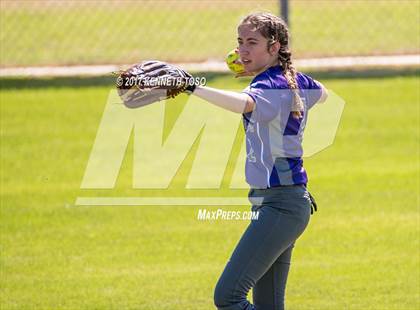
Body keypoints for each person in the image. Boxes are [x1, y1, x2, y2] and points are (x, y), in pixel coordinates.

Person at [189, 12, 328, 310]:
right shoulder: (292, 80)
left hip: (280, 206)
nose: (242, 50)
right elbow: (323, 94)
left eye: (252, 42)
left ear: (274, 47)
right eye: (240, 42)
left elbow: (244, 104)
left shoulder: (269, 86)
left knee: (228, 297)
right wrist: (264, 76)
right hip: (285, 204)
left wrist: (193, 88)